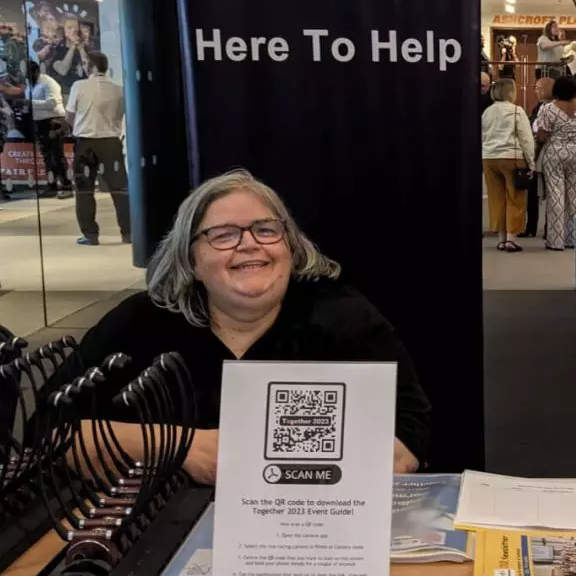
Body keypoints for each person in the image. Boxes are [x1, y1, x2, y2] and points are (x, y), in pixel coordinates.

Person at [73, 169, 432, 483]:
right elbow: (50, 435)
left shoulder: (344, 318)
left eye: (265, 230)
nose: (249, 244)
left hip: (313, 528)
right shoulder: (141, 322)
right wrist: (181, 448)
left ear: (290, 248)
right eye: (224, 235)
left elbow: (409, 438)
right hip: (156, 532)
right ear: (191, 259)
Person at [66, 51, 130, 245]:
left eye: (86, 63)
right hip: (111, 142)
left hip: (85, 143)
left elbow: (69, 116)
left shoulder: (79, 86)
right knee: (119, 190)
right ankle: (128, 233)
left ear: (91, 66)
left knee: (84, 190)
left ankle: (90, 235)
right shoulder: (119, 90)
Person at [535, 75, 576, 251]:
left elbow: (542, 134)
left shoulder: (549, 108)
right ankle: (572, 237)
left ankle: (556, 240)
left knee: (556, 195)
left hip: (555, 153)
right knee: (573, 196)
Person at [481, 79, 535, 252]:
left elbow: (481, 135)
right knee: (515, 197)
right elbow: (526, 138)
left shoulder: (487, 112)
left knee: (496, 198)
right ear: (510, 92)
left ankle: (501, 238)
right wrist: (531, 162)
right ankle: (511, 238)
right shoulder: (516, 111)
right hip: (512, 157)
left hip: (489, 158)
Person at [26, 61, 72, 198]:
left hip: (53, 121)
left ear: (36, 72)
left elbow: (52, 103)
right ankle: (52, 186)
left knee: (58, 155)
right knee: (47, 156)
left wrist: (31, 103)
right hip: (39, 123)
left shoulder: (49, 82)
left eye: (29, 74)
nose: (27, 77)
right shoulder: (31, 85)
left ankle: (67, 186)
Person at [519, 77, 553, 239]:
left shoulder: (553, 107)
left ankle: (549, 227)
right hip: (535, 153)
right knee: (532, 193)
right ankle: (530, 226)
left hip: (547, 153)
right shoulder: (537, 106)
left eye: (540, 88)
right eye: (536, 88)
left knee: (550, 193)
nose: (536, 91)